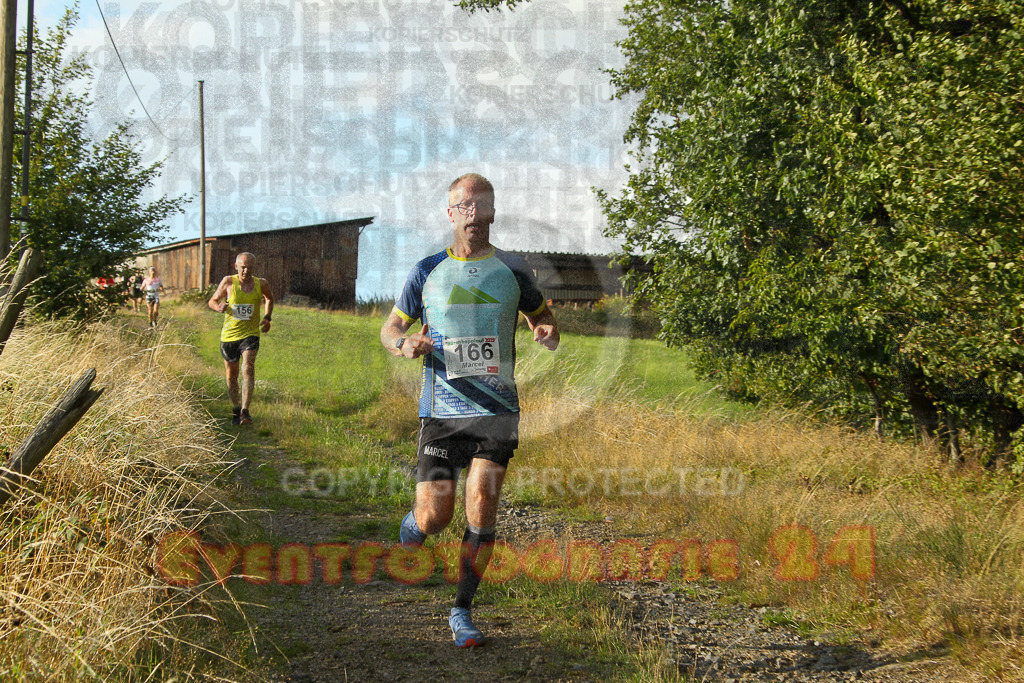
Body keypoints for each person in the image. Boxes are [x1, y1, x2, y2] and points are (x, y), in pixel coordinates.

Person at [380, 172, 559, 647]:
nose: (475, 215)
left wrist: (547, 332)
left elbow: (542, 316)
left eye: (483, 206)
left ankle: (462, 611)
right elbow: (390, 328)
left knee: (481, 505)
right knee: (436, 516)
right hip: (440, 411)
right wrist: (404, 344)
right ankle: (414, 525)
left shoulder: (514, 270)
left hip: (497, 411)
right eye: (466, 206)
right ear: (451, 212)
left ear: (494, 212)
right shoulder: (427, 270)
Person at [208, 252, 274, 426]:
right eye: (243, 267)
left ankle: (245, 411)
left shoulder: (262, 284)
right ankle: (236, 408)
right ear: (236, 266)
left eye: (250, 267)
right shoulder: (229, 282)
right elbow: (212, 301)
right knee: (232, 376)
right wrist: (219, 306)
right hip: (229, 336)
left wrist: (267, 317)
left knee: (248, 367)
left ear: (254, 267)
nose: (246, 271)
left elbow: (269, 298)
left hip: (250, 334)